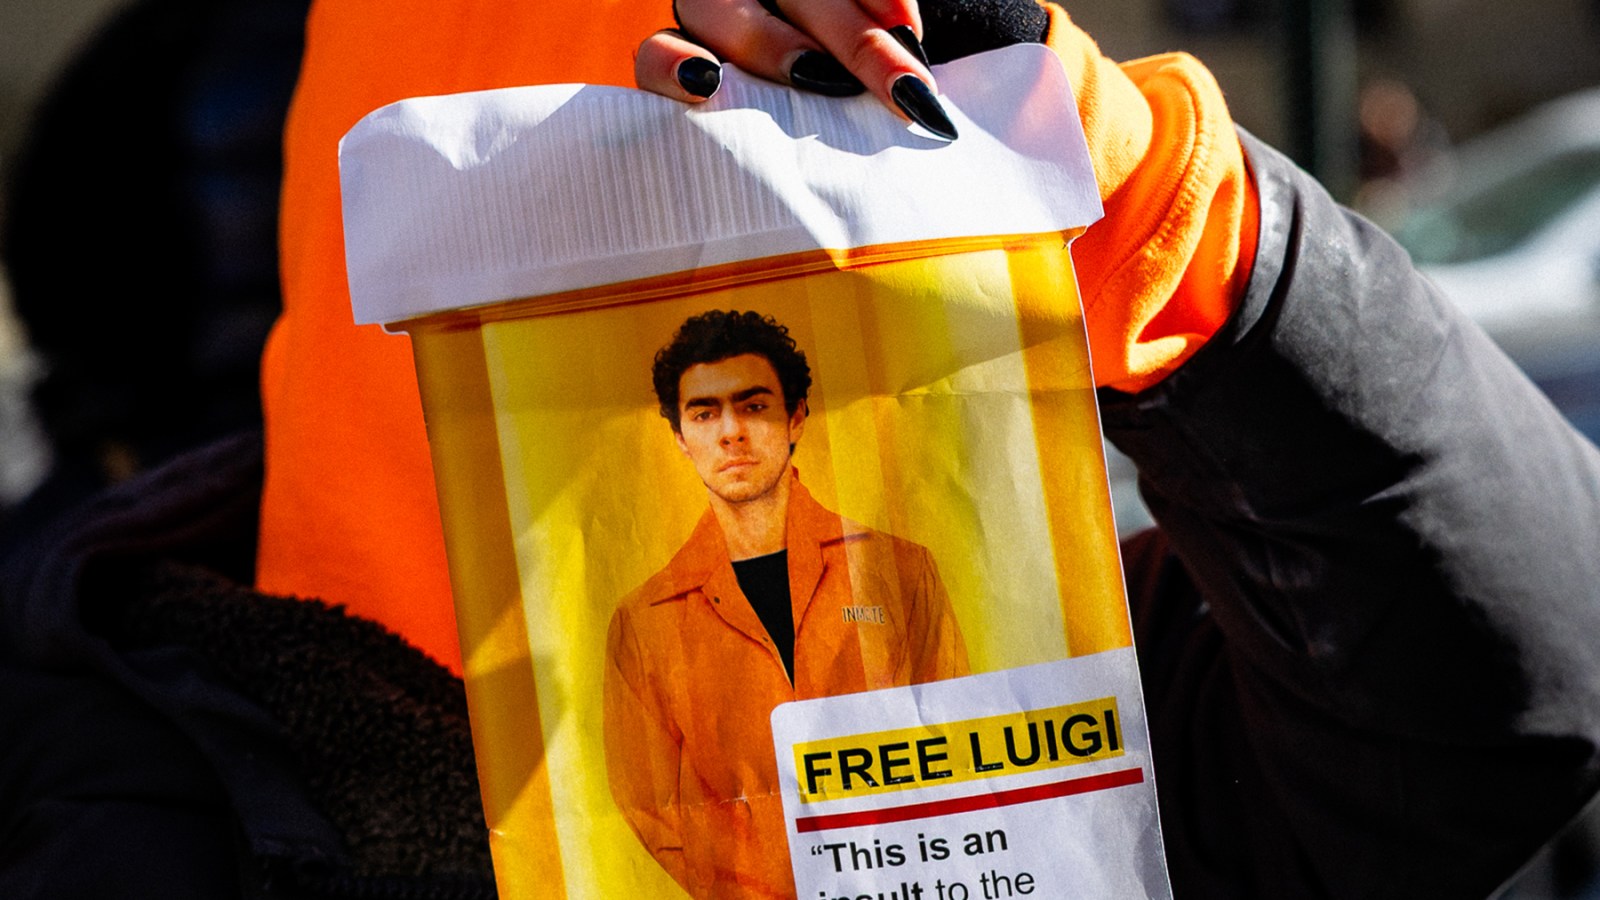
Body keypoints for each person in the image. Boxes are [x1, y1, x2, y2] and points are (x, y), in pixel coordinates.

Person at [2, 0, 1597, 897]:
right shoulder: (127, 781)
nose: (728, 434)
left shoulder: (1045, 654)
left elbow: (1528, 691)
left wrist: (1149, 208)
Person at [604, 310, 969, 898]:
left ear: (796, 417)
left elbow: (955, 741)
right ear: (680, 437)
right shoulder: (644, 622)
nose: (731, 433)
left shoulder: (899, 570)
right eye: (704, 413)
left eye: (753, 406)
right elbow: (651, 809)